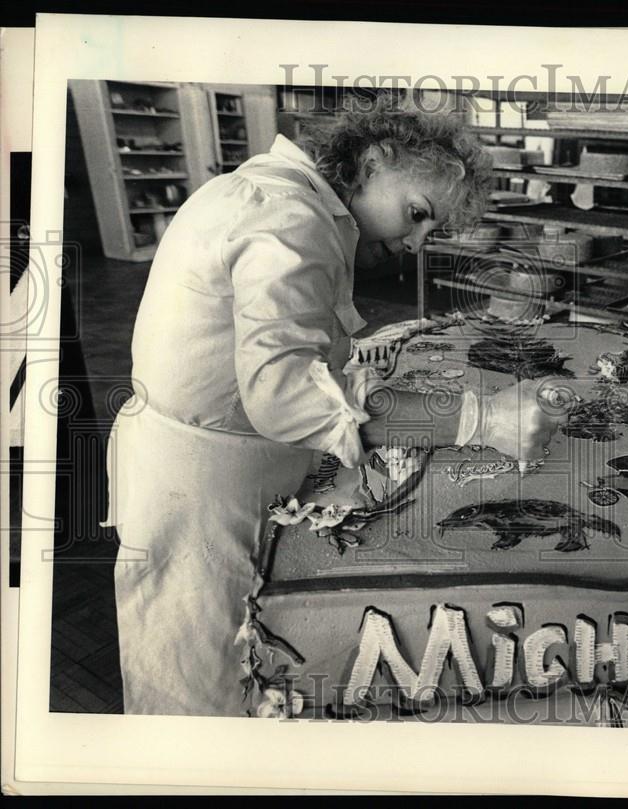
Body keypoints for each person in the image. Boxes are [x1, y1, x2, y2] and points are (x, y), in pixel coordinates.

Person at [103, 93, 567, 716]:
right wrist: (480, 419)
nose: (417, 243)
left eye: (433, 230)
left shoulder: (271, 194)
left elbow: (280, 347)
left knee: (206, 659)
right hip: (200, 484)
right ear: (374, 160)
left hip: (196, 454)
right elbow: (286, 396)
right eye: (418, 213)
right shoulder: (289, 218)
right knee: (196, 687)